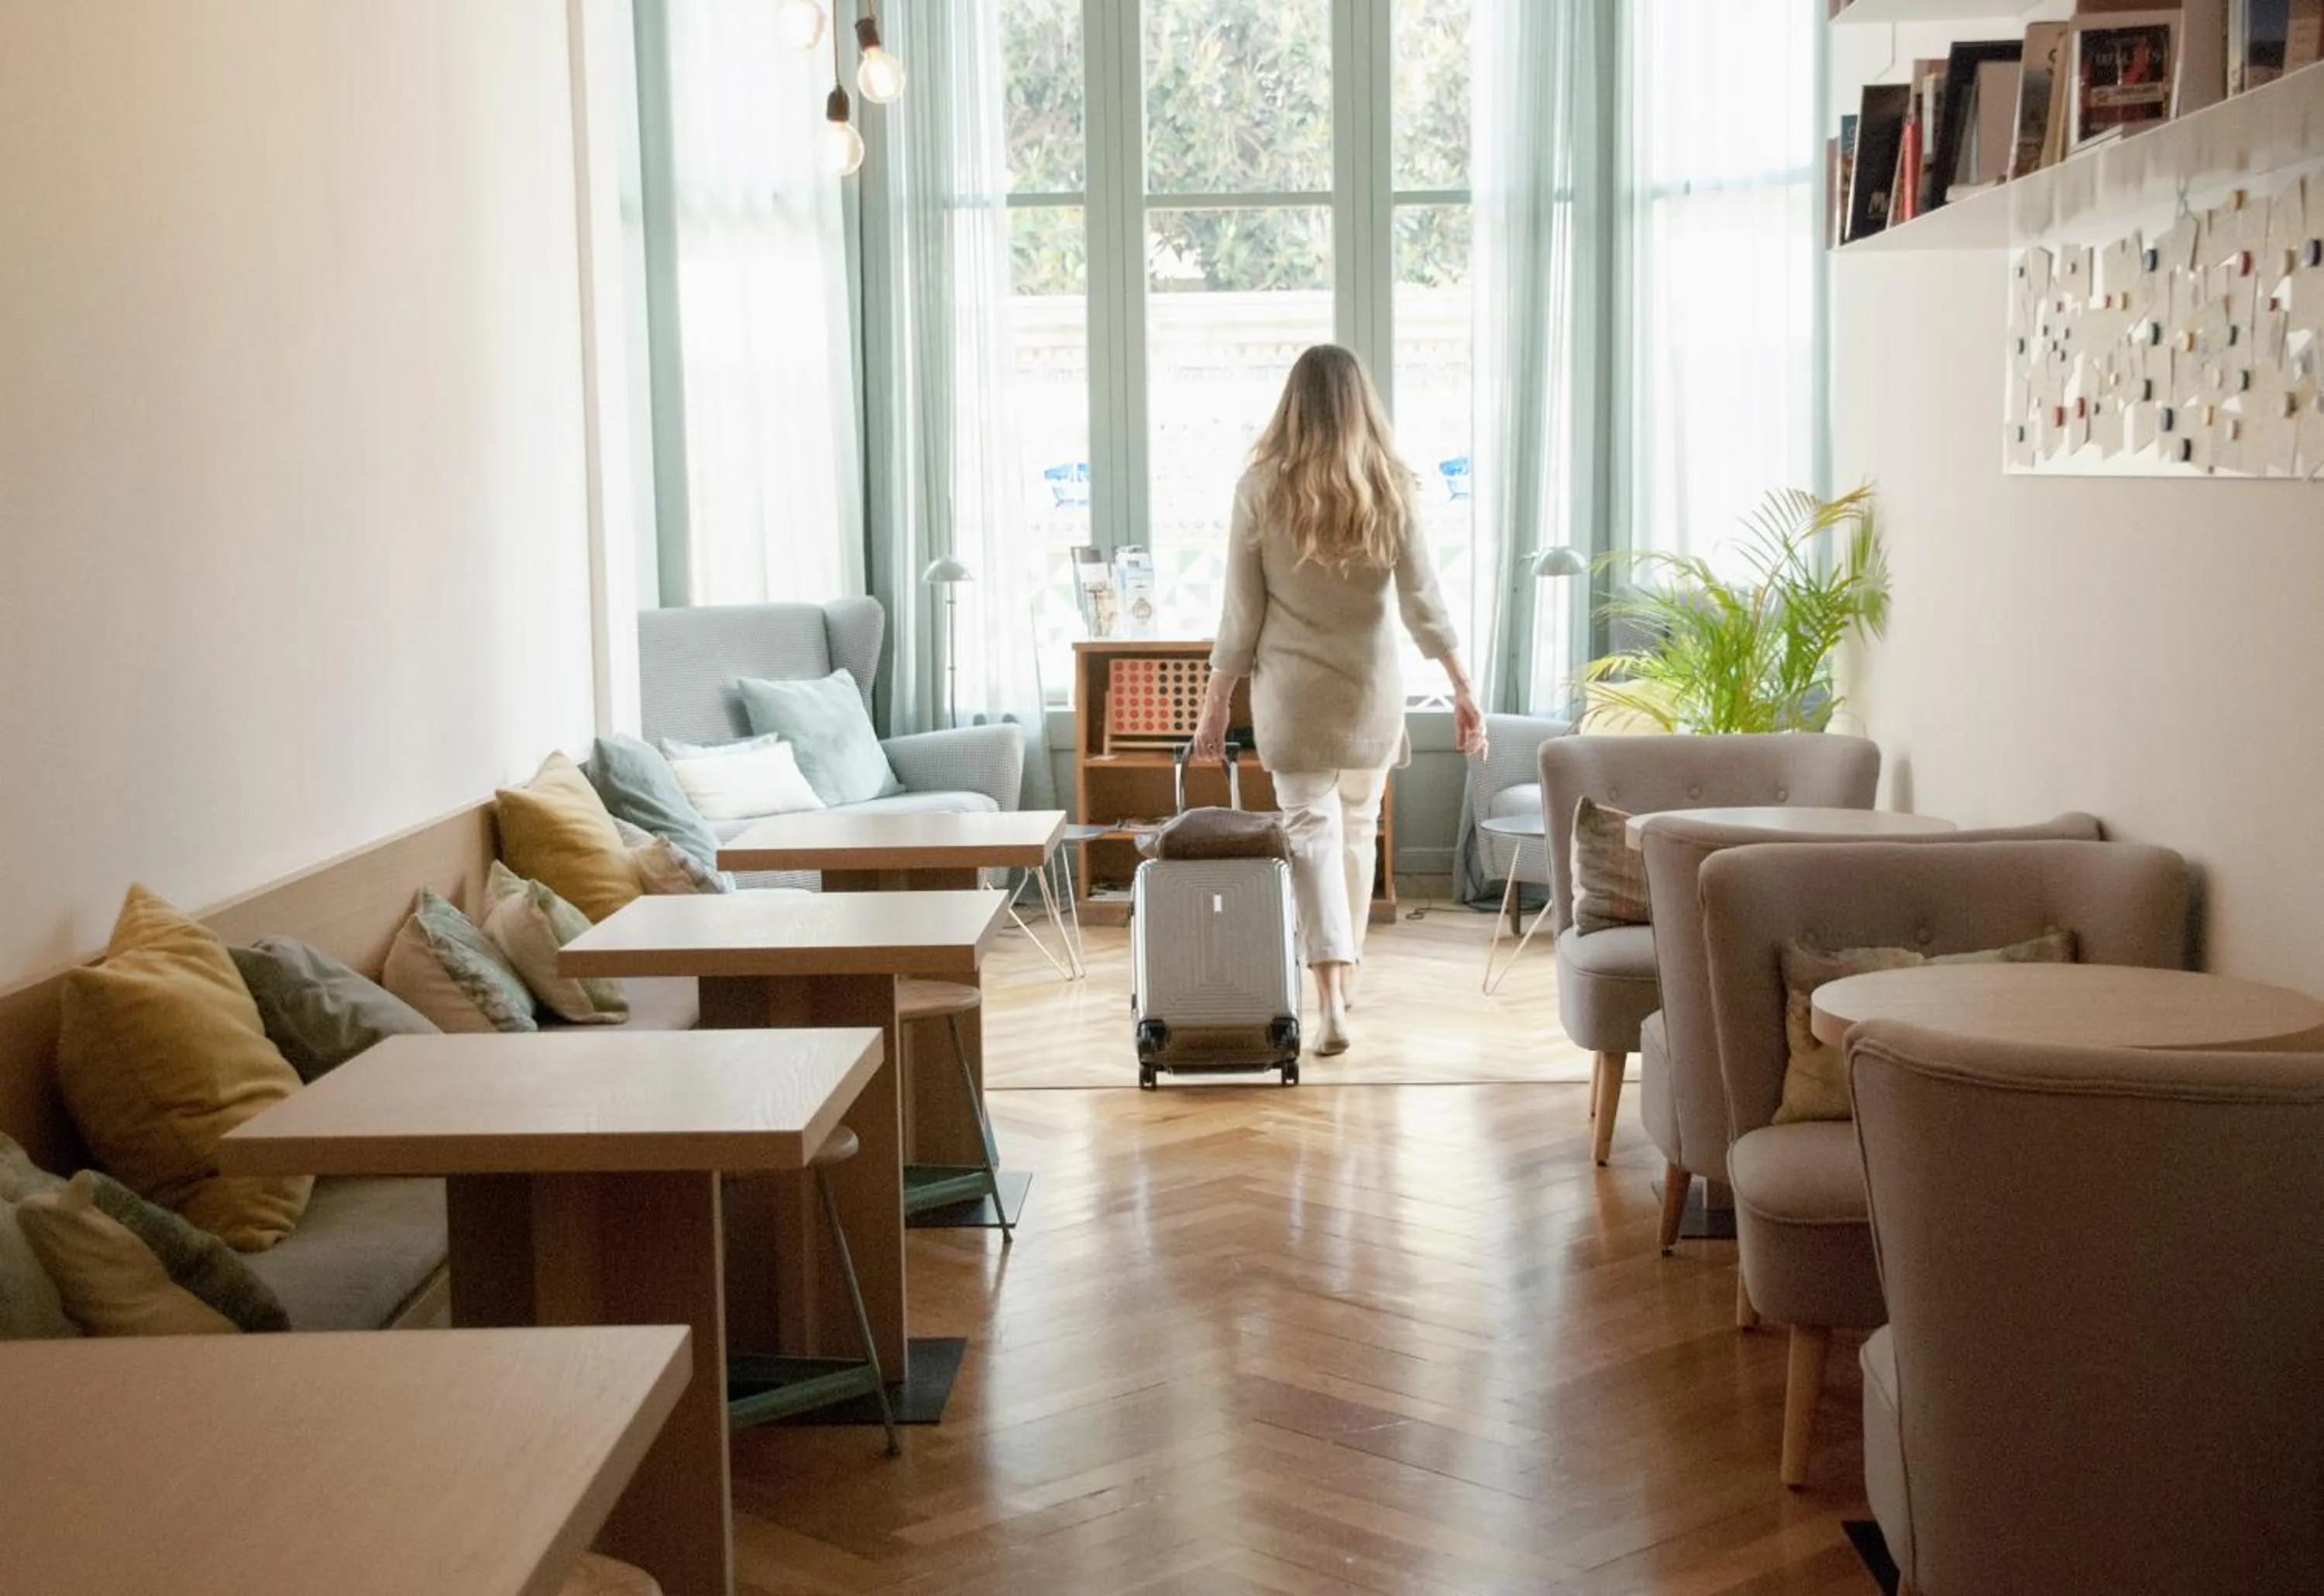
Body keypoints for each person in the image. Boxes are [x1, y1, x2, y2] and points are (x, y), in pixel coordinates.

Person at [1189, 344, 1487, 1058]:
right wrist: (1462, 688)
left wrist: (1214, 705)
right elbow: (1424, 603)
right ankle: (1344, 976)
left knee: (1311, 837)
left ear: (1291, 404)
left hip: (1292, 699)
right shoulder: (1389, 485)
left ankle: (1326, 993)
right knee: (1356, 834)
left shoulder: (1260, 487)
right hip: (1370, 697)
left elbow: (1241, 615)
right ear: (1362, 404)